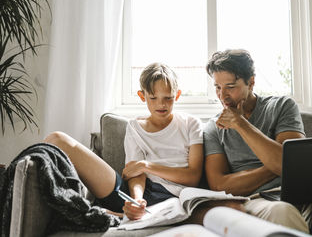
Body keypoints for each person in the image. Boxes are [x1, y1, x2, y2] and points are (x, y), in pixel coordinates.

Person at [44, 63, 205, 221]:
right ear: (142, 96)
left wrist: (146, 165)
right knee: (57, 139)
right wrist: (137, 201)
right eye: (153, 97)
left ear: (177, 95)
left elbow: (193, 177)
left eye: (168, 98)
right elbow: (136, 175)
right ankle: (124, 212)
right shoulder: (135, 127)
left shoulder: (190, 123)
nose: (161, 104)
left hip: (172, 199)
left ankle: (117, 215)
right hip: (139, 193)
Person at [203, 49, 312, 234]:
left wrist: (241, 124)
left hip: (307, 197)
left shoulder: (281, 106)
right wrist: (276, 164)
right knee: (283, 212)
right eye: (217, 87)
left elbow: (293, 163)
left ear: (251, 82)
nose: (223, 96)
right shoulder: (213, 128)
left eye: (230, 87)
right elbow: (220, 186)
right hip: (261, 200)